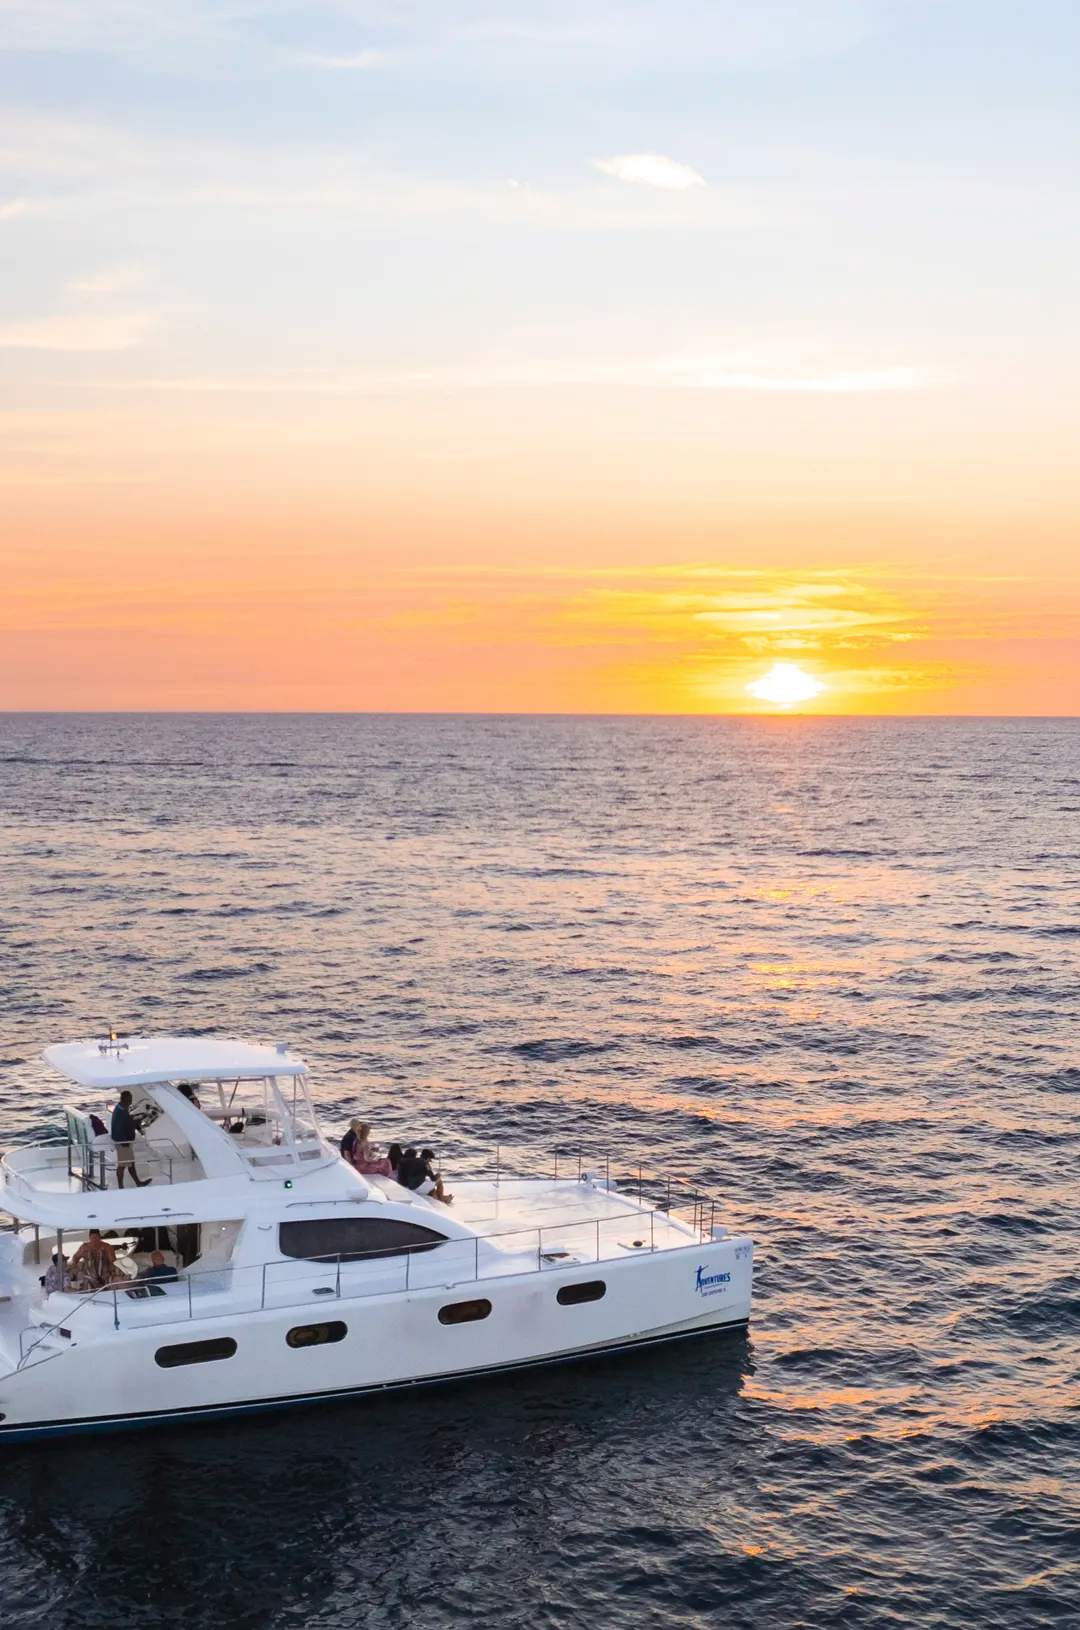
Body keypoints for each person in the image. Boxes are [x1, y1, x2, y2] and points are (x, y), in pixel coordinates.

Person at [111, 1090, 151, 1187]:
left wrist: (135, 1120)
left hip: (126, 1142)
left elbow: (127, 1122)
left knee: (131, 1164)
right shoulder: (120, 1112)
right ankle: (121, 1186)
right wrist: (124, 1142)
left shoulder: (121, 1109)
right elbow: (118, 1128)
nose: (131, 1102)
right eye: (129, 1100)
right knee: (122, 1165)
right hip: (123, 1143)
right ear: (124, 1099)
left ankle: (138, 1183)